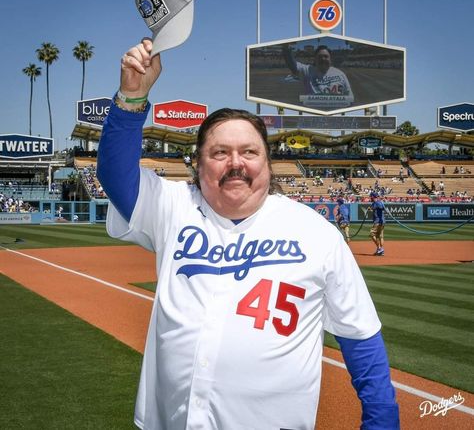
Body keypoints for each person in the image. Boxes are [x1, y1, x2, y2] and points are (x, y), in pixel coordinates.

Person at [97, 39, 399, 430]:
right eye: (220, 152)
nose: (236, 163)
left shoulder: (317, 235)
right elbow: (115, 176)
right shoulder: (173, 207)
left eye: (250, 152)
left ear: (269, 164)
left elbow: (362, 341)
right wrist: (132, 97)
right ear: (198, 164)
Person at [283, 44, 354, 109]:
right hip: (314, 114)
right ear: (315, 59)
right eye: (320, 57)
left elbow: (350, 98)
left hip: (335, 114)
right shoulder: (307, 70)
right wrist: (286, 49)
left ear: (330, 59)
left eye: (326, 56)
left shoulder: (340, 74)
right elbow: (292, 65)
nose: (323, 59)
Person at [369, 191, 386, 256]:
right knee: (380, 236)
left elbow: (381, 207)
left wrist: (380, 207)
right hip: (382, 221)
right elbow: (374, 208)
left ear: (373, 197)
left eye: (371, 196)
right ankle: (381, 250)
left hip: (378, 222)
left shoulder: (377, 202)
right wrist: (371, 209)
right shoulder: (377, 202)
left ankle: (379, 249)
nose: (370, 198)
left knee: (372, 234)